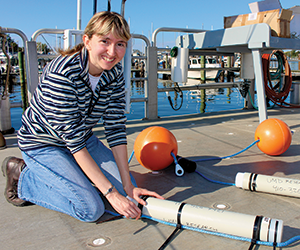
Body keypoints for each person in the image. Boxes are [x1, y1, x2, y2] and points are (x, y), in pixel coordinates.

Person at [2, 11, 163, 222]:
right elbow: (75, 142)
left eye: (120, 44)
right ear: (87, 41)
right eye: (104, 41)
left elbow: (115, 129)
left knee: (125, 190)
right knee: (90, 208)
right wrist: (110, 194)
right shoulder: (63, 74)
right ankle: (23, 177)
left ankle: (76, 174)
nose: (112, 52)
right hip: (43, 144)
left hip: (83, 139)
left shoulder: (114, 74)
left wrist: (127, 186)